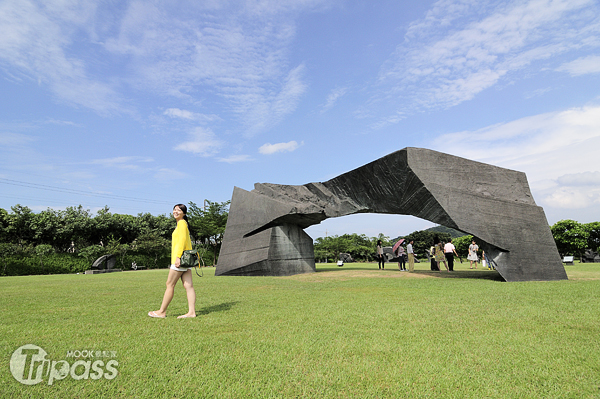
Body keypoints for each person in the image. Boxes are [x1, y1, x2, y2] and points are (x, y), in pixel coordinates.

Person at [148, 204, 196, 319]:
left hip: (179, 260)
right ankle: (192, 312)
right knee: (188, 286)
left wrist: (178, 257)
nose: (175, 212)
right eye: (174, 209)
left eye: (179, 210)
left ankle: (162, 312)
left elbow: (182, 242)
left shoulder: (182, 224)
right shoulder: (182, 224)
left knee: (170, 284)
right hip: (185, 261)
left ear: (184, 213)